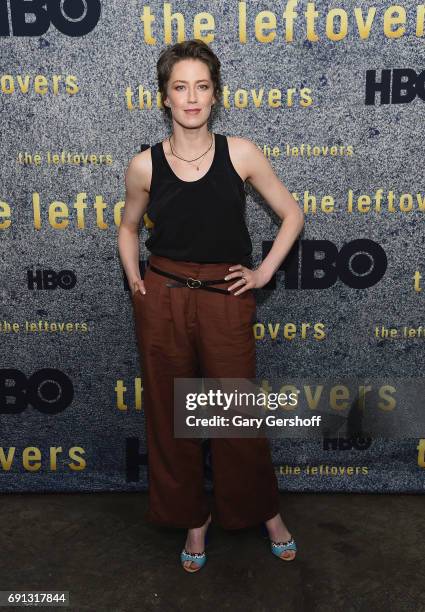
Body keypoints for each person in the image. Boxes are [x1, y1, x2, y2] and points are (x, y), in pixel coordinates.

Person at [118, 39, 305, 573]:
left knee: (235, 415)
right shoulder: (144, 166)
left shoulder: (241, 152)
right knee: (171, 418)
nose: (192, 97)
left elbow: (291, 213)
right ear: (165, 97)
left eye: (202, 86)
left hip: (226, 297)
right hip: (164, 297)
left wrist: (265, 271)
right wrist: (135, 278)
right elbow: (129, 228)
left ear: (215, 95)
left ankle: (262, 510)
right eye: (181, 87)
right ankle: (192, 519)